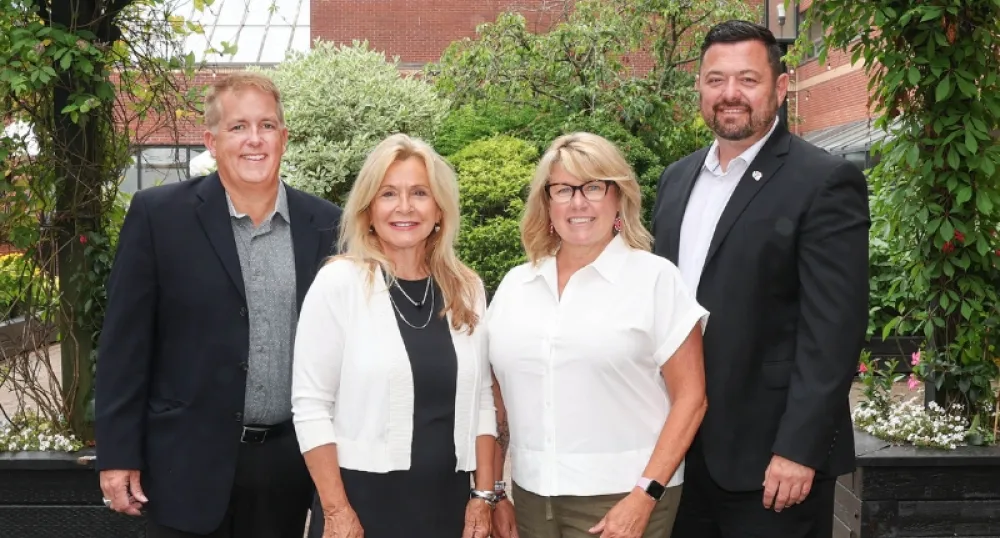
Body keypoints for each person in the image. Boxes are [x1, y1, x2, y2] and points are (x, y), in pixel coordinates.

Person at [94, 72, 342, 538]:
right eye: (238, 127)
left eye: (267, 126)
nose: (255, 140)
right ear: (210, 140)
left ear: (283, 138)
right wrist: (118, 454)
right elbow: (125, 345)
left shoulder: (327, 225)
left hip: (285, 468)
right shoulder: (158, 217)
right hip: (183, 463)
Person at [651, 20, 870, 538]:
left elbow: (833, 331)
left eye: (747, 79)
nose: (730, 94)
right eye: (715, 79)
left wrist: (799, 448)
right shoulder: (676, 179)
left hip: (771, 465)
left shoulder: (823, 181)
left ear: (780, 86)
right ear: (699, 88)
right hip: (679, 455)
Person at [487, 132, 709, 538]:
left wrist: (645, 494)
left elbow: (692, 399)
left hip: (623, 498)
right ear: (546, 202)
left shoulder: (655, 280)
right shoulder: (514, 286)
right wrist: (496, 492)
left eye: (593, 187)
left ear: (618, 197)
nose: (578, 202)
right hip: (531, 498)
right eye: (563, 189)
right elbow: (496, 400)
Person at [291, 133, 497, 538]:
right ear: (368, 211)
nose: (404, 207)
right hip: (362, 505)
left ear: (439, 209)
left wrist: (483, 495)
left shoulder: (467, 288)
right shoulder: (340, 283)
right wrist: (336, 511)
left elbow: (484, 399)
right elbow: (311, 405)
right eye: (388, 194)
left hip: (449, 504)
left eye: (419, 192)